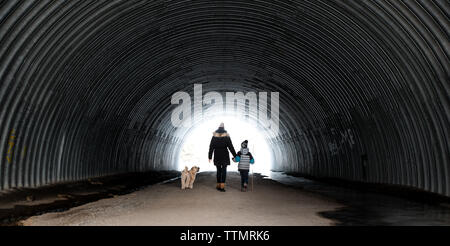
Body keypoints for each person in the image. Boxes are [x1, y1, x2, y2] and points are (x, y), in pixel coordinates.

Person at [208, 123, 237, 192]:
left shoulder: (214, 136)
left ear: (218, 127)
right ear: (224, 128)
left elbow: (211, 147)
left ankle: (218, 185)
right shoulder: (226, 136)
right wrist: (235, 155)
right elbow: (230, 147)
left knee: (218, 170)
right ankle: (222, 186)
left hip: (217, 154)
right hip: (225, 155)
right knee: (224, 171)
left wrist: (210, 157)